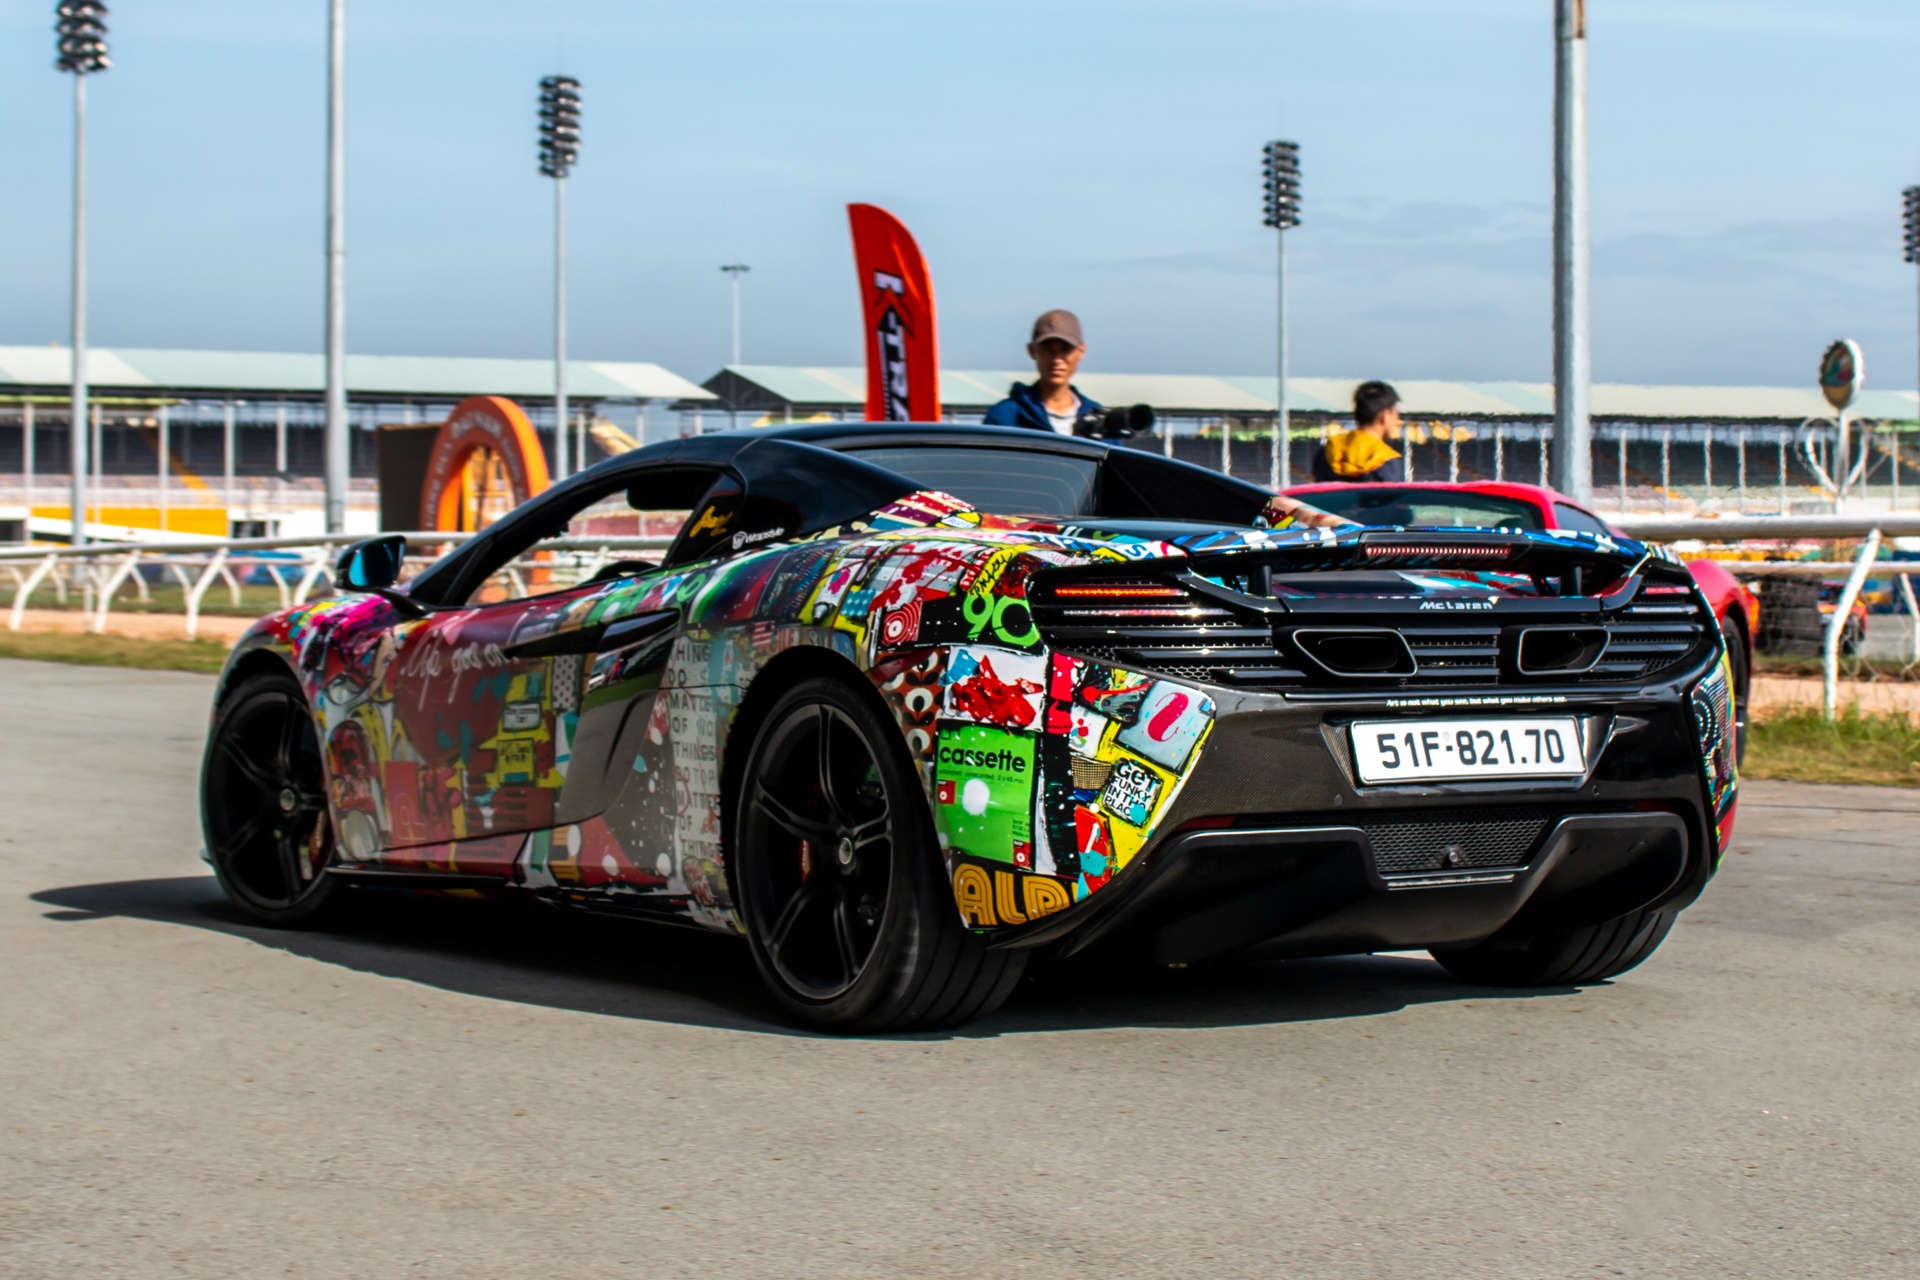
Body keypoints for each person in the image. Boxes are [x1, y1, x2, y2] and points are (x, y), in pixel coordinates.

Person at [984, 310, 1104, 434]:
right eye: (1047, 350)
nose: (1057, 359)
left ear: (1081, 351)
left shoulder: (1098, 418)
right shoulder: (1005, 417)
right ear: (1031, 351)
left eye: (1065, 349)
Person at [1312, 380, 1406, 483]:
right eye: (1396, 414)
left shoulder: (1326, 452)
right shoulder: (1387, 461)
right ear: (1385, 415)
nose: (1398, 420)